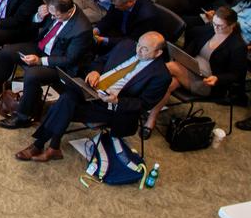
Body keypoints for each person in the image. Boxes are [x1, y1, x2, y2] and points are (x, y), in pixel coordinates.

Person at [15, 33, 170, 163]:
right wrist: (95, 71)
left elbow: (144, 105)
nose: (139, 50)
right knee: (67, 99)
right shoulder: (127, 45)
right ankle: (52, 148)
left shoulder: (161, 76)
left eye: (145, 49)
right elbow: (100, 61)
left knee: (65, 103)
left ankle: (41, 145)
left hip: (113, 108)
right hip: (93, 89)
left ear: (158, 53)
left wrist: (117, 101)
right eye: (139, 45)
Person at [0, 0, 94, 114]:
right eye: (51, 14)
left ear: (69, 12)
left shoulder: (82, 30)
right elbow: (36, 25)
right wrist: (38, 16)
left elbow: (69, 59)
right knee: (6, 53)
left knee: (32, 75)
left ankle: (23, 116)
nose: (53, 18)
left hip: (58, 64)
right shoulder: (56, 9)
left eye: (56, 16)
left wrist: (40, 61)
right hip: (40, 47)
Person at [142, 6, 247, 135]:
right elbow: (192, 39)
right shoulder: (210, 30)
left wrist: (218, 78)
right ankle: (151, 121)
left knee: (170, 67)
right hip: (191, 69)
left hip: (209, 83)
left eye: (220, 26)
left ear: (232, 25)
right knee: (169, 84)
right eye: (214, 23)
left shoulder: (237, 46)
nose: (216, 28)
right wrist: (183, 56)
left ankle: (135, 93)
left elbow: (237, 75)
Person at [92, 0, 163, 49]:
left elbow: (132, 40)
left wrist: (104, 40)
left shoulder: (147, 16)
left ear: (130, 2)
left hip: (134, 41)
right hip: (120, 30)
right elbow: (108, 18)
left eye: (118, 6)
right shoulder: (118, 1)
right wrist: (97, 30)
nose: (115, 7)